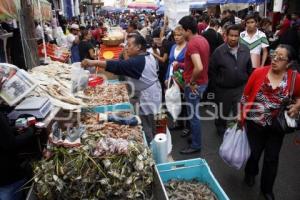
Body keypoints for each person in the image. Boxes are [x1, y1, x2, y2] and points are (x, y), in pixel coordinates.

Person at [240, 44, 300, 200]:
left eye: (280, 58)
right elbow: (245, 95)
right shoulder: (259, 72)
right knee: (253, 153)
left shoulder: (294, 78)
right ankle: (250, 173)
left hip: (277, 126)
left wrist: (298, 104)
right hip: (255, 122)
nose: (275, 60)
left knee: (272, 158)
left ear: (288, 63)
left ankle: (267, 189)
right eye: (274, 55)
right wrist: (240, 116)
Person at [81, 34, 162, 144]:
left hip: (147, 96)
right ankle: (153, 139)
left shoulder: (138, 61)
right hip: (152, 91)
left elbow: (119, 65)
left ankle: (151, 144)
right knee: (151, 120)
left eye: (129, 45)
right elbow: (127, 65)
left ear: (138, 47)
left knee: (146, 122)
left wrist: (93, 62)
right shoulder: (147, 55)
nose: (126, 47)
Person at [208, 24, 252, 136]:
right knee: (223, 113)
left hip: (240, 88)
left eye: (236, 36)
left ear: (239, 36)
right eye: (231, 35)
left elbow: (249, 68)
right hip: (223, 89)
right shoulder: (218, 52)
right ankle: (220, 129)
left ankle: (238, 133)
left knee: (239, 112)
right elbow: (212, 71)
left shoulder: (245, 50)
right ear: (226, 36)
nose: (233, 38)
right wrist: (218, 84)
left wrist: (247, 84)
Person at [178, 16, 210, 154]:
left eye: (181, 30)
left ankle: (196, 145)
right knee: (194, 114)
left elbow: (199, 67)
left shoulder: (192, 44)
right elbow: (196, 64)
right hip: (202, 82)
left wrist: (191, 82)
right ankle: (194, 138)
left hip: (195, 85)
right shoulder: (203, 39)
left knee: (194, 116)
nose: (180, 33)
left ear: (188, 30)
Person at [164, 25, 188, 133]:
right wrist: (167, 77)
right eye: (175, 35)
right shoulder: (173, 47)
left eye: (179, 35)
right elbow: (169, 63)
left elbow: (189, 64)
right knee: (174, 100)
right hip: (171, 78)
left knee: (184, 102)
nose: (177, 37)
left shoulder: (188, 47)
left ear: (184, 35)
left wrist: (180, 64)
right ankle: (177, 122)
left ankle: (187, 127)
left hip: (183, 79)